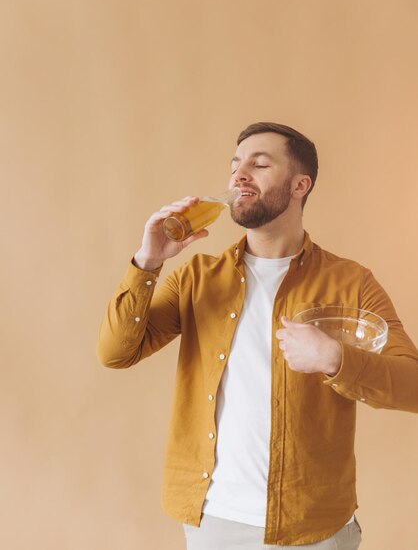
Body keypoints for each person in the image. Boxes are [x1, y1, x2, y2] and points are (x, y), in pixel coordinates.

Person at [97, 122, 418, 549]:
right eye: (236, 164)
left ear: (300, 185)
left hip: (315, 527)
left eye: (260, 164)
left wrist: (336, 359)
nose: (239, 174)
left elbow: (412, 385)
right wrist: (147, 261)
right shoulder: (197, 278)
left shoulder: (352, 283)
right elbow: (116, 351)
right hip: (215, 521)